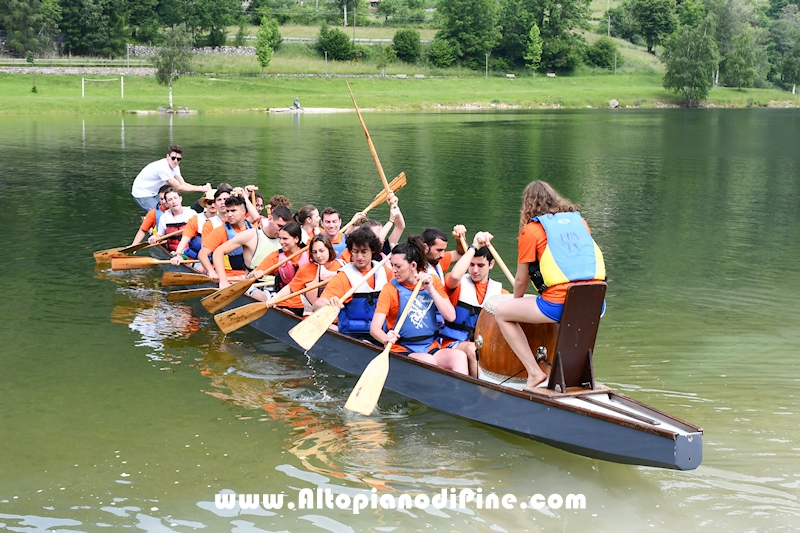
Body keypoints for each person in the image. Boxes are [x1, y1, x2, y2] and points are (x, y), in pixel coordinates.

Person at [495, 180, 606, 391]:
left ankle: (535, 372)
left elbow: (521, 280)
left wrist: (516, 304)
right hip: (595, 302)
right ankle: (575, 373)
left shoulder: (532, 230)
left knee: (502, 313)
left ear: (527, 205)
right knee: (567, 316)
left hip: (560, 303)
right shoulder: (579, 222)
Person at [370, 236, 468, 375]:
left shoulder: (431, 280)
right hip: (403, 348)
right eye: (392, 265)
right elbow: (375, 328)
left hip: (430, 346)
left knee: (459, 356)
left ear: (413, 266)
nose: (393, 271)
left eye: (398, 266)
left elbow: (450, 316)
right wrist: (385, 338)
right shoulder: (390, 289)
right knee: (428, 361)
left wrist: (431, 290)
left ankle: (461, 393)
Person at [440, 232, 506, 378]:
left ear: (491, 264)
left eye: (481, 265)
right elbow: (455, 276)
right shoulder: (457, 285)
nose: (475, 270)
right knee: (472, 349)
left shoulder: (502, 293)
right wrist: (474, 246)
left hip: (484, 345)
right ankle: (484, 389)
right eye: (471, 265)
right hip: (453, 342)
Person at [315, 228, 393, 337]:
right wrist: (328, 303)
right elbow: (317, 305)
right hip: (354, 335)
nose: (359, 257)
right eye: (355, 251)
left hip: (382, 332)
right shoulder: (343, 276)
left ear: (373, 250)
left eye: (364, 252)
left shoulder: (385, 271)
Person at [210, 205, 292, 289]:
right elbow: (218, 252)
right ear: (270, 219)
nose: (282, 231)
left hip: (280, 285)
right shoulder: (250, 235)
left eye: (285, 227)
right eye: (279, 226)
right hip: (253, 284)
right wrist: (223, 280)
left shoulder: (289, 240)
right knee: (262, 297)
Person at [268, 234, 345, 315]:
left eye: (322, 251)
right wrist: (275, 298)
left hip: (338, 314)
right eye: (314, 252)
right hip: (312, 315)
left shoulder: (342, 266)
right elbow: (291, 288)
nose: (318, 256)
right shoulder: (306, 269)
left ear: (329, 249)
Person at [248, 221, 310, 312]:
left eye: (285, 239)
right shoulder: (276, 256)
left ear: (296, 239)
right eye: (280, 238)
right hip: (284, 302)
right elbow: (250, 276)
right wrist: (255, 274)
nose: (281, 242)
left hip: (307, 301)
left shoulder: (310, 254)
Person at [131, 145, 211, 212]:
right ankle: (155, 224)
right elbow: (179, 187)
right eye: (173, 158)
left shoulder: (175, 166)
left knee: (171, 208)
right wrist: (202, 188)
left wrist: (202, 188)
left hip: (154, 192)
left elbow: (182, 184)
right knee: (158, 212)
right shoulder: (163, 168)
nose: (175, 161)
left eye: (178, 159)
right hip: (142, 193)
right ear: (167, 156)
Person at [340, 193, 405, 262]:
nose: (383, 237)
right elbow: (378, 239)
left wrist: (394, 207)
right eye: (379, 233)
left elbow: (399, 226)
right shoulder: (356, 253)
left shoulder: (384, 249)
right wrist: (390, 220)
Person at [147, 188, 197, 252]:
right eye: (170, 200)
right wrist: (154, 237)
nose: (173, 202)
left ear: (180, 199)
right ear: (167, 203)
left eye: (175, 198)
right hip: (173, 252)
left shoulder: (191, 213)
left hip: (191, 251)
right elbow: (160, 235)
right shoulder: (164, 217)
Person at [173, 189, 218, 259]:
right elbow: (185, 239)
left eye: (215, 202)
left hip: (217, 259)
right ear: (205, 204)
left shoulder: (225, 219)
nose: (212, 205)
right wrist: (178, 254)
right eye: (209, 202)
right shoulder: (195, 219)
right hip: (196, 259)